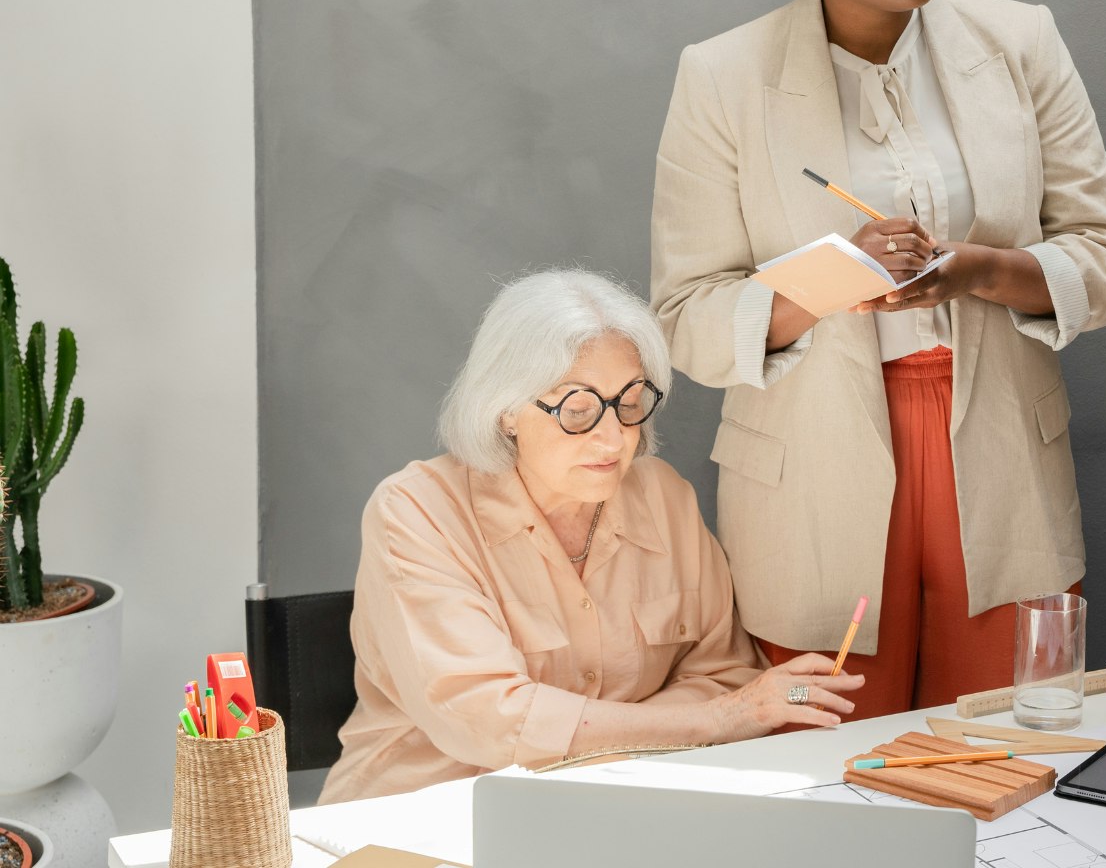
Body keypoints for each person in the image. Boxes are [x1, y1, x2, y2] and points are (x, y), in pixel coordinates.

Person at [650, 0, 1106, 715]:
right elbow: (685, 317)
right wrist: (836, 274)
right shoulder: (721, 77)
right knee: (830, 760)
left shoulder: (1021, 40)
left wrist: (978, 270)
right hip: (811, 469)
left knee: (1004, 746)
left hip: (1003, 455)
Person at [319, 270, 862, 803]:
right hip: (426, 815)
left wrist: (624, 741)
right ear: (505, 411)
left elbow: (724, 671)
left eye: (629, 403)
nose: (613, 438)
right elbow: (488, 720)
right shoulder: (416, 511)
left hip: (615, 806)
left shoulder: (665, 496)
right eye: (577, 410)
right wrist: (715, 719)